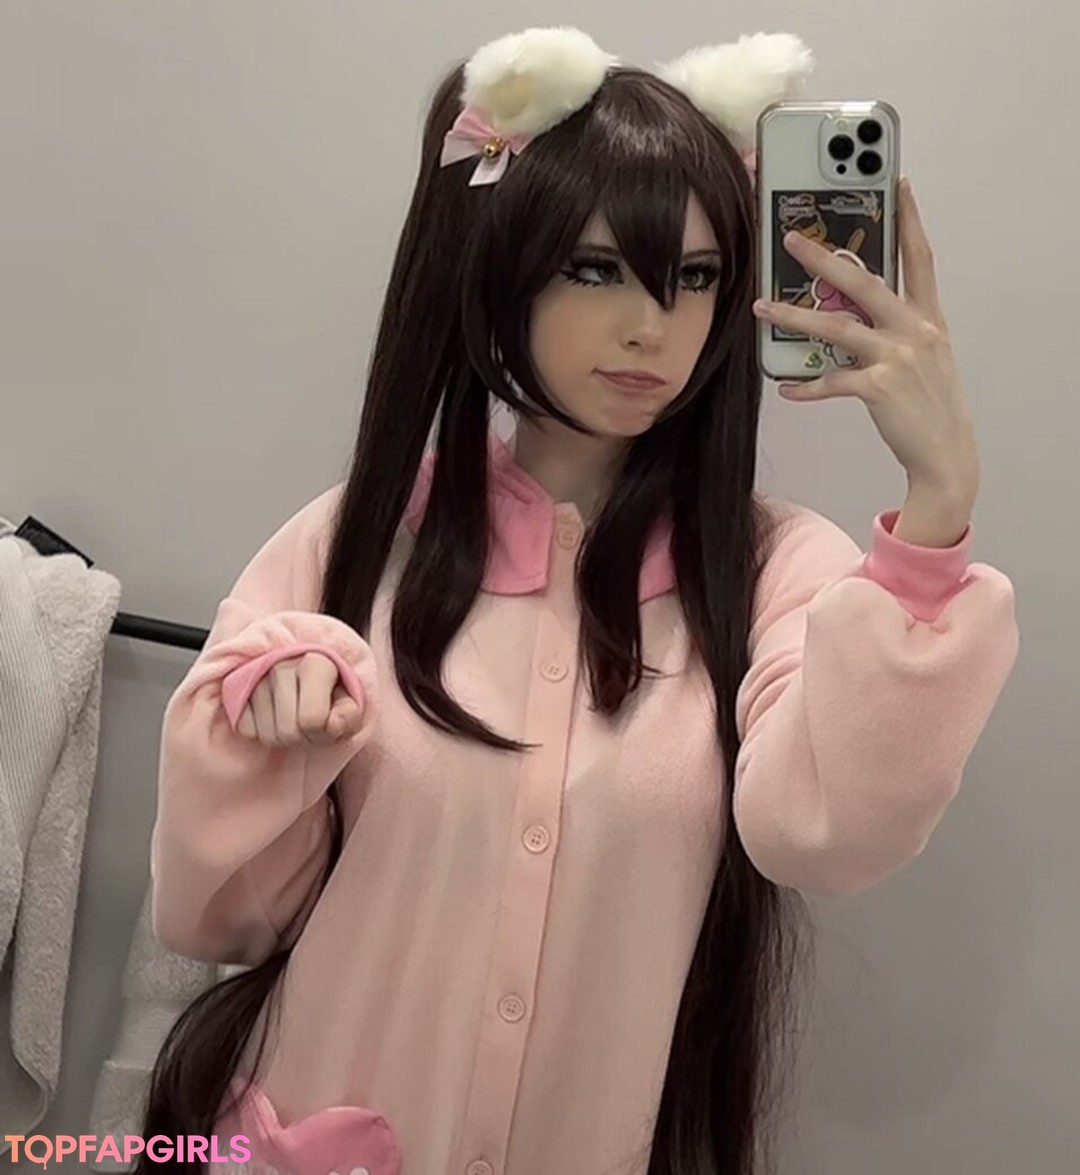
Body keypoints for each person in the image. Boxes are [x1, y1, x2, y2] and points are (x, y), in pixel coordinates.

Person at [139, 26, 1019, 1175]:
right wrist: (271, 732)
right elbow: (217, 917)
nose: (654, 326)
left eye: (696, 277)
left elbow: (825, 833)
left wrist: (939, 504)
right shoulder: (356, 544)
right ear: (499, 261)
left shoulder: (775, 574)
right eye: (596, 269)